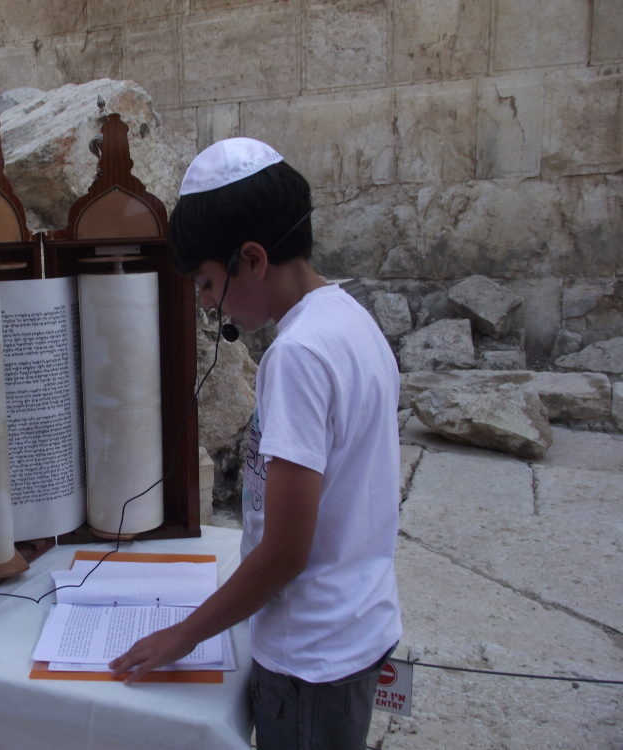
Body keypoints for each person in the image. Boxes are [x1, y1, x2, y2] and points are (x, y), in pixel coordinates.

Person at [108, 138, 402, 750]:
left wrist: (183, 636)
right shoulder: (349, 318)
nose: (209, 304)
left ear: (252, 258)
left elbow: (286, 551)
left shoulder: (296, 356)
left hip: (309, 658)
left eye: (209, 284)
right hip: (355, 626)